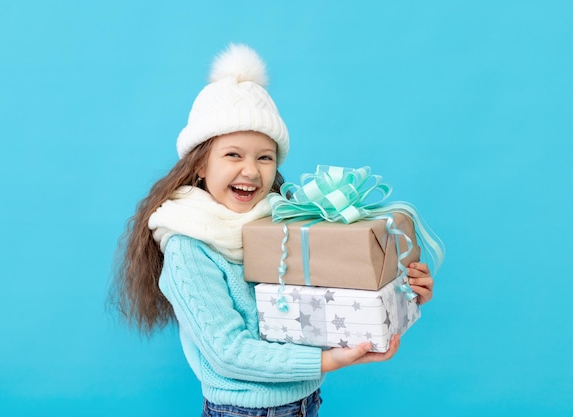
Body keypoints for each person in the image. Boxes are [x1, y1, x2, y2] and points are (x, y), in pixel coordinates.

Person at [110, 43, 435, 417]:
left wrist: (399, 293)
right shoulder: (189, 247)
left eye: (264, 157)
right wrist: (330, 361)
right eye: (233, 154)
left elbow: (325, 303)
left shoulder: (281, 228)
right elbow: (230, 354)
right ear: (199, 166)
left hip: (304, 402)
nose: (251, 171)